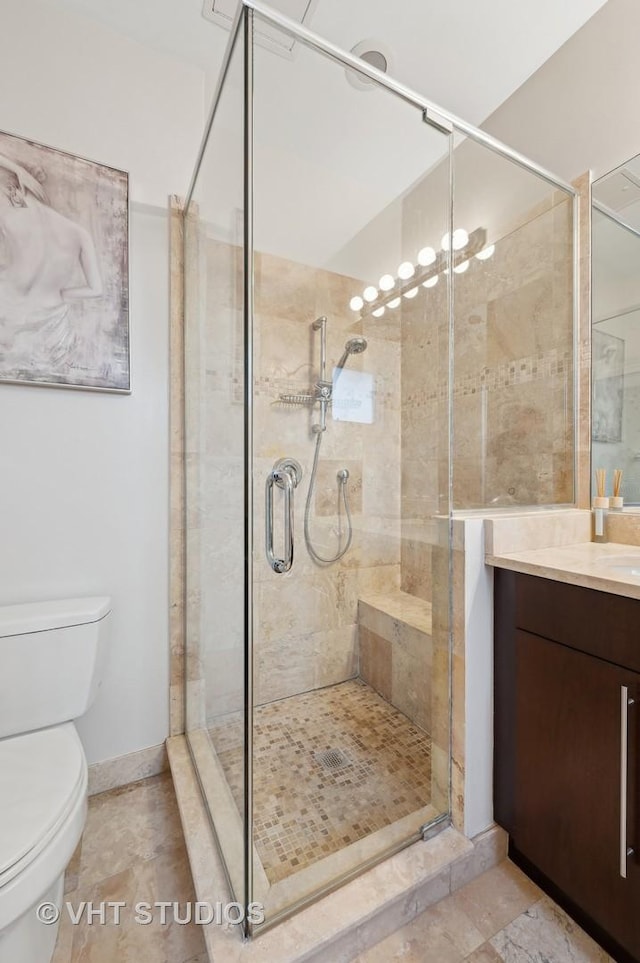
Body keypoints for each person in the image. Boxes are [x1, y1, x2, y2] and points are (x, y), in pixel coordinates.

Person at [0, 150, 103, 374]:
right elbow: (96, 289)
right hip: (54, 333)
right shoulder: (80, 233)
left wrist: (17, 170)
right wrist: (62, 294)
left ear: (14, 191)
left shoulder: (9, 220)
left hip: (10, 323)